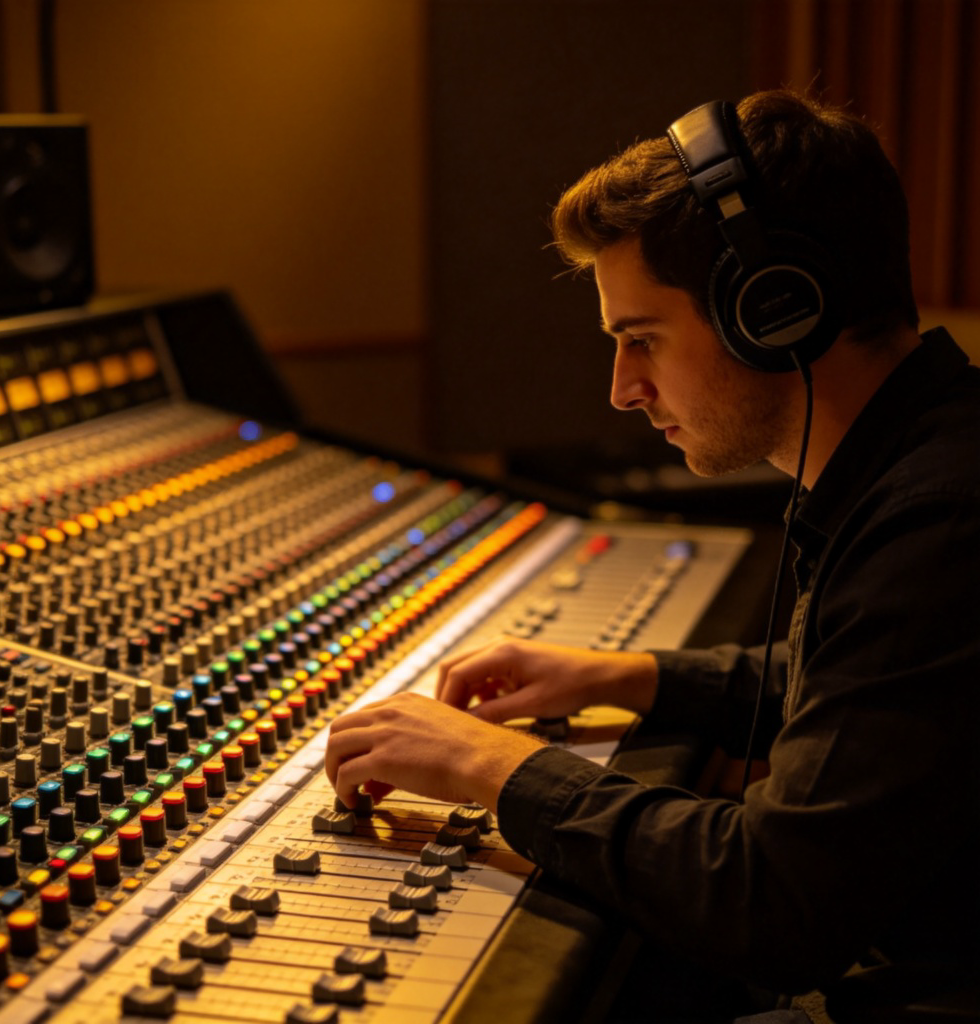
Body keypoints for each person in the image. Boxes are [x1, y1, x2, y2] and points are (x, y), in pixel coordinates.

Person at [324, 90, 980, 1022]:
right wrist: (628, 674)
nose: (623, 391)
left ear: (774, 309)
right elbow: (869, 690)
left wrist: (494, 767)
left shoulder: (939, 520)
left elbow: (775, 903)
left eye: (642, 341)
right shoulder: (926, 459)